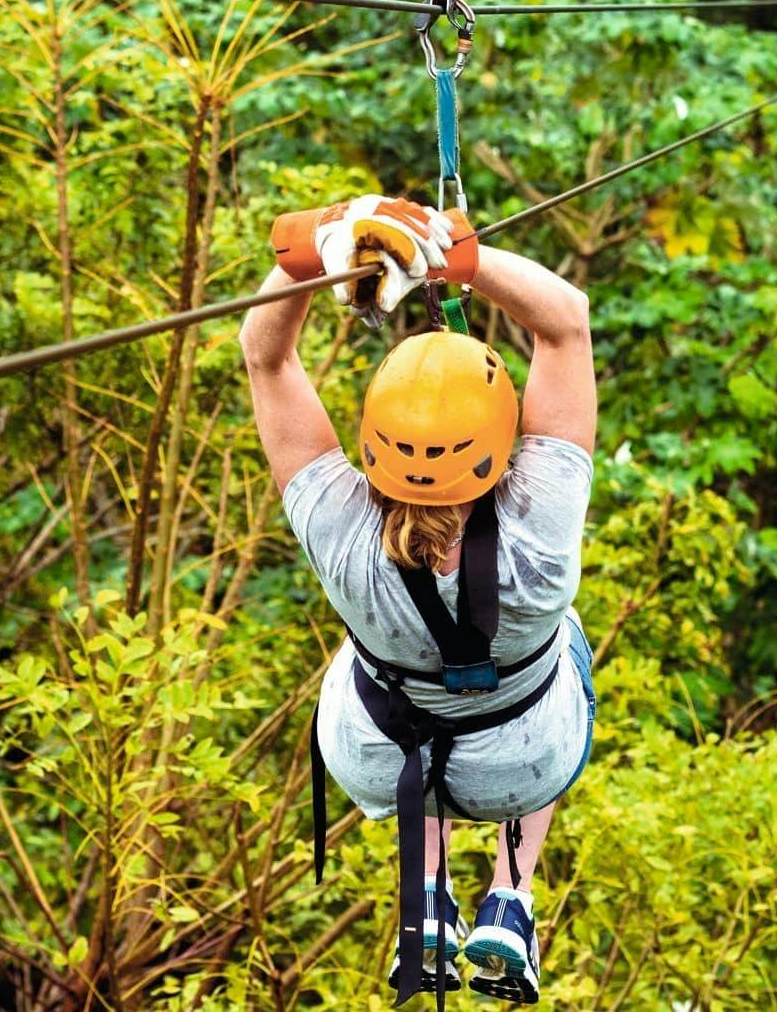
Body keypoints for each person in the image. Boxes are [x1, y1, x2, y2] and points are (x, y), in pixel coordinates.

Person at [239, 195, 597, 1006]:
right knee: (561, 641)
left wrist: (314, 248)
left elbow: (266, 358)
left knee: (385, 664)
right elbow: (565, 322)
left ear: (373, 438)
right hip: (522, 762)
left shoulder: (339, 523)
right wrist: (450, 255)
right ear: (501, 441)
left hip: (374, 754)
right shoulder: (540, 527)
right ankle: (511, 894)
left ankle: (427, 892)